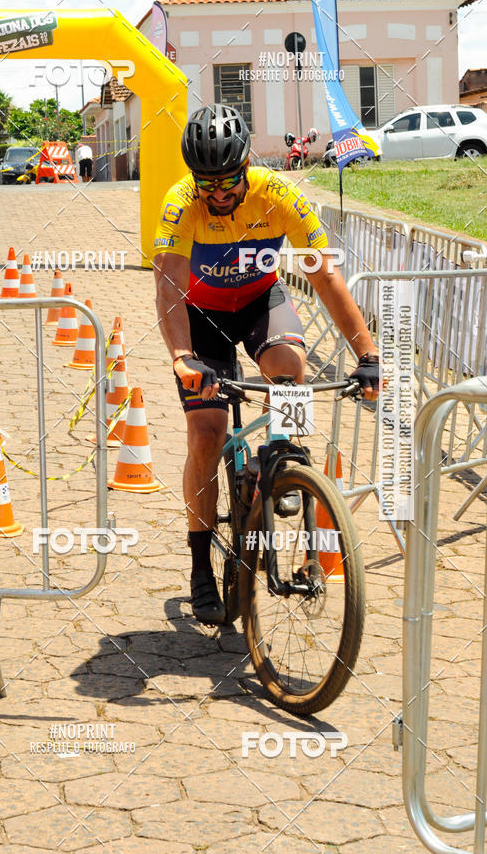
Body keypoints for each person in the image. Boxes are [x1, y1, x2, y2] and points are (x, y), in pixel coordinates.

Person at [154, 104, 381, 626]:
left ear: (246, 164)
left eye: (228, 181)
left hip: (260, 303)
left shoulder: (277, 194)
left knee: (290, 370)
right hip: (201, 317)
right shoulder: (180, 202)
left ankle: (287, 469)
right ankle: (200, 569)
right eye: (206, 183)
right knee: (206, 435)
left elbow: (324, 276)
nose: (218, 194)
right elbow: (167, 287)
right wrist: (182, 357)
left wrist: (366, 353)